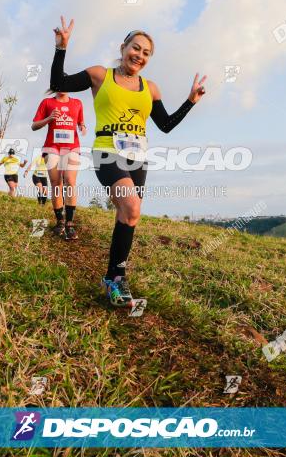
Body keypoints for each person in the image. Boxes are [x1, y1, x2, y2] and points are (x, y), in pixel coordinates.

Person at [50, 16, 206, 307]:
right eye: (136, 48)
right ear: (123, 48)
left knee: (130, 215)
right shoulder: (100, 75)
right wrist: (62, 48)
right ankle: (117, 279)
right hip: (107, 150)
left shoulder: (151, 88)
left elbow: (166, 125)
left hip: (138, 157)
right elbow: (59, 82)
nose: (140, 55)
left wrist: (190, 101)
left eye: (146, 53)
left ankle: (113, 278)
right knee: (132, 206)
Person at [31, 91, 86, 239]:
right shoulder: (47, 102)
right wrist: (49, 118)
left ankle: (69, 223)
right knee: (56, 184)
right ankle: (60, 221)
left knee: (70, 181)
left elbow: (81, 121)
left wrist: (83, 127)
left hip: (72, 146)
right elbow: (34, 126)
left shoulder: (77, 103)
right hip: (52, 147)